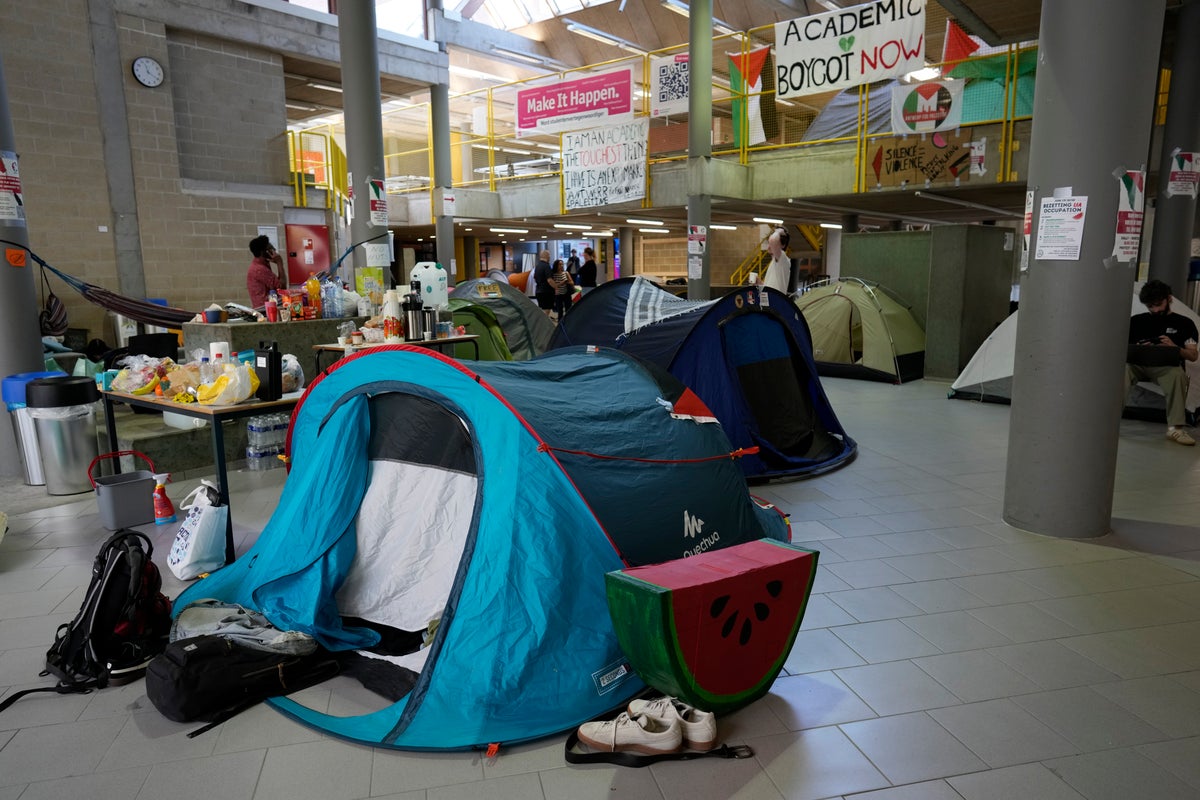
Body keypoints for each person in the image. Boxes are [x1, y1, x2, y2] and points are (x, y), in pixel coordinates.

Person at [1127, 279, 1199, 445]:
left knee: (1177, 375)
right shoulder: (1136, 321)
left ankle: (1175, 429)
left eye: (1158, 304)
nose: (1155, 309)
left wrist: (1174, 348)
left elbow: (1193, 355)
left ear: (1169, 299)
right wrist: (1137, 347)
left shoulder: (1185, 324)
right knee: (1121, 371)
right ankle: (1109, 421)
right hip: (1138, 364)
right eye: (1150, 306)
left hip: (1166, 367)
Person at [246, 235, 286, 308]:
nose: (274, 249)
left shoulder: (258, 265)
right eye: (271, 248)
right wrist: (279, 262)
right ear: (263, 252)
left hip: (266, 306)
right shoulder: (260, 269)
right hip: (265, 309)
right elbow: (282, 287)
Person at [759, 227, 793, 295]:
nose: (769, 246)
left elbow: (773, 240)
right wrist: (760, 283)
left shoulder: (783, 259)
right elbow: (770, 289)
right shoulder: (774, 262)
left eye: (773, 244)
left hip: (777, 302)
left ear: (783, 245)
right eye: (769, 243)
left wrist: (779, 231)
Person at [533, 249, 554, 315]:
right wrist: (556, 287)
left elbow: (535, 277)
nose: (550, 256)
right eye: (549, 255)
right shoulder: (546, 266)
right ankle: (544, 324)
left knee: (542, 310)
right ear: (547, 256)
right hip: (546, 292)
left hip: (539, 291)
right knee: (546, 311)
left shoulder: (537, 266)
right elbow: (549, 280)